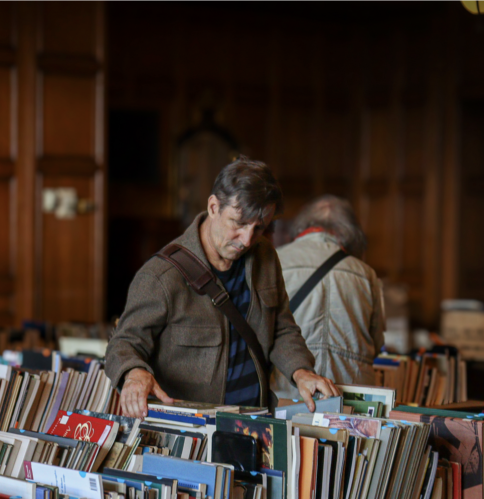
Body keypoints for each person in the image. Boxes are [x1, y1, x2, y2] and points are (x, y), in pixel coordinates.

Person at [106, 157, 339, 418]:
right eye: (238, 223)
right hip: (192, 430)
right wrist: (135, 372)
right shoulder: (160, 276)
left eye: (259, 227)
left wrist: (301, 371)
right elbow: (123, 344)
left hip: (256, 419)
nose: (247, 239)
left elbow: (281, 328)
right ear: (214, 206)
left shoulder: (265, 256)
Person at [271, 195, 385, 399]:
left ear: (301, 226)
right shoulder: (366, 274)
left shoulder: (274, 261)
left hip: (288, 393)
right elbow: (376, 344)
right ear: (349, 232)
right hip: (350, 397)